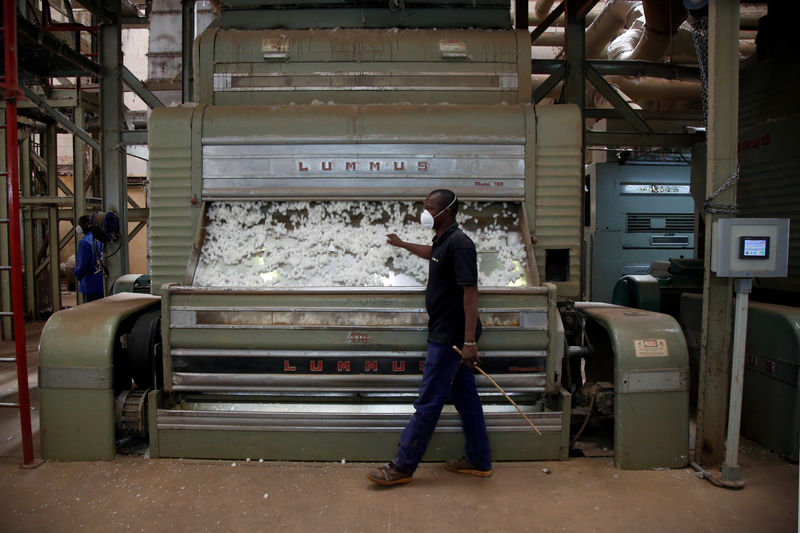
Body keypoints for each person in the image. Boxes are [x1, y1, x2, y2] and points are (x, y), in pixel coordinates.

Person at [367, 189, 491, 486]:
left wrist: (469, 342)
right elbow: (432, 255)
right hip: (448, 332)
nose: (424, 212)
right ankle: (479, 460)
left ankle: (402, 466)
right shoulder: (444, 241)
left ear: (446, 211)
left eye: (429, 207)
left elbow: (470, 293)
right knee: (466, 398)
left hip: (451, 336)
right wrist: (401, 244)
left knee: (429, 401)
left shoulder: (461, 244)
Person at [74, 214, 104, 303]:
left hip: (90, 286)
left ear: (86, 225)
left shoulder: (84, 242)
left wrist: (77, 274)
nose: (78, 227)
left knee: (91, 314)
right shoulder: (100, 239)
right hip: (103, 284)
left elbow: (82, 267)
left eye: (80, 224)